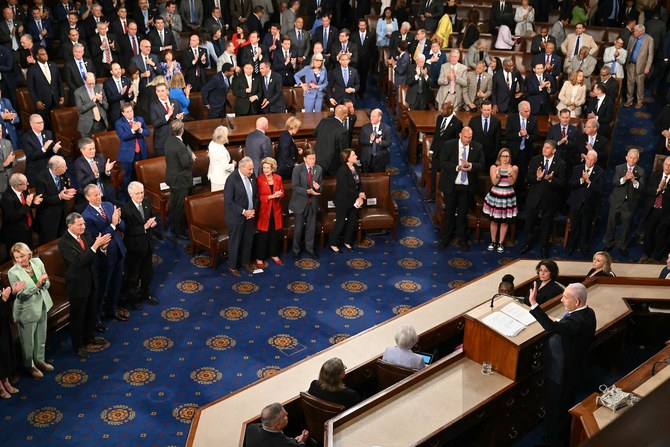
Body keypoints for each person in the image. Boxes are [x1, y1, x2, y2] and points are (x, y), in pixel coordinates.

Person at [527, 282, 595, 447]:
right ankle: (556, 436)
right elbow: (569, 327)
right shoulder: (588, 312)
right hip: (572, 368)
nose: (561, 301)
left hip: (562, 373)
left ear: (577, 302)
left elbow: (551, 327)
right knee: (561, 405)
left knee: (557, 408)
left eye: (565, 297)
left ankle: (556, 441)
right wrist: (560, 320)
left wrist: (534, 304)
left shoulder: (576, 323)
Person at [58, 212, 111, 358]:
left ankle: (89, 338)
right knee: (78, 317)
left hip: (91, 280)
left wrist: (102, 248)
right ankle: (78, 345)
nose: (83, 226)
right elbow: (79, 261)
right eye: (80, 224)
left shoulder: (85, 234)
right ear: (70, 226)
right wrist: (95, 246)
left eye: (84, 224)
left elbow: (94, 254)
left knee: (91, 312)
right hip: (77, 285)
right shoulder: (64, 242)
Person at [81, 184, 127, 325]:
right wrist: (113, 224)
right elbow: (100, 239)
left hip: (118, 251)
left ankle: (111, 311)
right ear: (87, 197)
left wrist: (118, 221)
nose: (99, 196)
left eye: (99, 193)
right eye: (95, 195)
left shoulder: (108, 205)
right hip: (103, 258)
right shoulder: (86, 217)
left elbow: (123, 226)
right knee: (101, 290)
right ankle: (96, 319)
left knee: (115, 285)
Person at [7, 243, 51, 379]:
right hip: (26, 311)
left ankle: (39, 360)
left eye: (22, 256)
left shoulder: (37, 262)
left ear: (29, 254)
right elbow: (21, 295)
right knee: (28, 342)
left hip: (42, 304)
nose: (20, 260)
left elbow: (48, 283)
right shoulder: (13, 272)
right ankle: (29, 365)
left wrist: (43, 283)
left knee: (41, 337)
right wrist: (38, 284)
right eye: (16, 258)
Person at [438, 127, 485, 252]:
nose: (468, 140)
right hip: (451, 185)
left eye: (470, 137)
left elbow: (482, 164)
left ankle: (462, 239)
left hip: (466, 187)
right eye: (466, 137)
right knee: (449, 213)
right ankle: (446, 238)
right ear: (460, 135)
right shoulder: (449, 145)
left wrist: (471, 166)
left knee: (463, 215)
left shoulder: (477, 147)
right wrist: (457, 167)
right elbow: (442, 162)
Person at [520, 141, 567, 259]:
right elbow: (528, 178)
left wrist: (551, 179)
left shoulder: (561, 163)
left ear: (554, 150)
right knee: (529, 223)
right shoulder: (535, 160)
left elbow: (562, 183)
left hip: (550, 200)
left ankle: (544, 247)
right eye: (544, 147)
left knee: (547, 225)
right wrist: (537, 177)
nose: (544, 149)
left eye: (547, 148)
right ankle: (527, 244)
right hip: (534, 198)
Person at [121, 181, 159, 310]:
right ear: (130, 194)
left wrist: (153, 223)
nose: (140, 195)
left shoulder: (147, 201)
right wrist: (144, 227)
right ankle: (134, 299)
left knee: (147, 273)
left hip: (148, 244)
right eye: (137, 193)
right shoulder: (126, 209)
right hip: (134, 248)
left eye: (142, 192)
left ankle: (145, 294)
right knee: (133, 275)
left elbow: (153, 216)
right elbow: (127, 230)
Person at [604, 148, 645, 257]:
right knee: (611, 223)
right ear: (626, 157)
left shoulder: (641, 171)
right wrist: (625, 178)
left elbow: (641, 188)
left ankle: (623, 246)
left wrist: (634, 180)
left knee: (626, 226)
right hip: (616, 201)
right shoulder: (619, 168)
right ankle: (608, 243)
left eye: (635, 158)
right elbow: (615, 182)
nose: (632, 160)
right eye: (630, 157)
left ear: (638, 159)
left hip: (629, 203)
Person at [566, 150, 605, 257]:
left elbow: (600, 189)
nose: (589, 162)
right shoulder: (577, 169)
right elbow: (571, 184)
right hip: (576, 204)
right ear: (585, 158)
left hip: (590, 206)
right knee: (574, 226)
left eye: (592, 160)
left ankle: (584, 248)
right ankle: (570, 247)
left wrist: (589, 182)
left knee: (586, 228)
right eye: (588, 159)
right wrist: (582, 180)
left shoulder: (600, 172)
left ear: (595, 161)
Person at [224, 157, 259, 276]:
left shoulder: (252, 177)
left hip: (250, 215)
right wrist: (244, 212)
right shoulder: (232, 179)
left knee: (247, 241)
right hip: (236, 217)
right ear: (242, 167)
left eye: (252, 168)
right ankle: (232, 267)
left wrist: (254, 209)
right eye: (250, 169)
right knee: (235, 242)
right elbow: (229, 201)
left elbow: (255, 195)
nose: (252, 171)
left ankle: (245, 262)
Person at [329, 149, 365, 254]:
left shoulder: (356, 167)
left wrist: (361, 194)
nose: (356, 156)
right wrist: (359, 195)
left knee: (352, 222)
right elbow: (345, 189)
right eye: (354, 155)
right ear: (347, 158)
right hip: (342, 200)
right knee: (340, 223)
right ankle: (333, 243)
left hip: (354, 200)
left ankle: (347, 241)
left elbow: (360, 183)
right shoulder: (342, 170)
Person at [483, 148, 518, 253]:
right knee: (494, 221)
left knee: (504, 222)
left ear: (510, 158)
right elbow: (494, 182)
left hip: (508, 196)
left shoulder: (514, 168)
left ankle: (500, 243)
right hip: (496, 195)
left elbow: (512, 183)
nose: (505, 158)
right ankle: (493, 241)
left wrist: (510, 174)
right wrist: (498, 174)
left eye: (507, 156)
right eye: (503, 156)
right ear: (499, 157)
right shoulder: (494, 167)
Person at [35, 155, 76, 245]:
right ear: (55, 168)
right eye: (64, 166)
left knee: (61, 241)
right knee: (49, 244)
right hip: (48, 218)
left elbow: (64, 188)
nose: (66, 168)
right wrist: (59, 197)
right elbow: (43, 199)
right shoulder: (41, 179)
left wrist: (67, 191)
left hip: (61, 213)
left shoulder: (62, 174)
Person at [290, 149, 322, 260]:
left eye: (314, 158)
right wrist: (307, 191)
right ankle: (295, 251)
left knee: (311, 229)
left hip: (312, 204)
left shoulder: (318, 169)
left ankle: (310, 249)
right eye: (310, 158)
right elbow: (295, 187)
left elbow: (321, 186)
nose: (313, 161)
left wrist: (318, 187)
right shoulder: (297, 169)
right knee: (298, 230)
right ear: (304, 159)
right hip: (300, 204)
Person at [165, 120, 195, 239]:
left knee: (174, 204)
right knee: (180, 206)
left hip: (172, 178)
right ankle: (180, 230)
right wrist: (192, 157)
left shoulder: (169, 140)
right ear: (181, 130)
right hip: (180, 180)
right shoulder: (180, 146)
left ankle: (174, 227)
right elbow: (186, 163)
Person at [115, 103, 150, 196]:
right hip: (128, 154)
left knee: (142, 175)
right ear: (123, 113)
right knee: (129, 176)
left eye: (131, 111)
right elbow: (123, 136)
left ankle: (143, 194)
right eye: (127, 112)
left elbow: (147, 133)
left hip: (141, 152)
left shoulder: (140, 119)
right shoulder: (119, 123)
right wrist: (133, 130)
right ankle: (128, 197)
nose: (130, 113)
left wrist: (140, 130)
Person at [255, 157, 284, 268]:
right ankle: (259, 258)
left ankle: (274, 254)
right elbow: (257, 197)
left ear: (273, 169)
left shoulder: (278, 178)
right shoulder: (259, 179)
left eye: (267, 168)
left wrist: (279, 194)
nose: (265, 170)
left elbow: (282, 192)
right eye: (264, 168)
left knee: (274, 234)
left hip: (275, 211)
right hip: (264, 212)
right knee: (263, 235)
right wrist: (270, 196)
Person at [26, 47, 64, 129]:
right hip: (42, 103)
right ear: (37, 56)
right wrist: (36, 101)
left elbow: (59, 82)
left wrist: (62, 95)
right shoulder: (32, 69)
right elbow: (30, 88)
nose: (45, 56)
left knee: (56, 123)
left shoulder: (53, 65)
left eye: (45, 54)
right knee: (45, 125)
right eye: (42, 54)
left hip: (55, 100)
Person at [641, 157, 670, 263]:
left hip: (666, 212)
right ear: (663, 165)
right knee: (649, 233)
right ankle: (647, 254)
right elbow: (647, 191)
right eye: (666, 164)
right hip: (653, 209)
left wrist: (664, 190)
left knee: (661, 235)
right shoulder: (655, 176)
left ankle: (657, 257)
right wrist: (658, 189)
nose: (667, 167)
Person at [244, 402, 313, 446]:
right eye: (285, 416)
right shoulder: (285, 444)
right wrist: (302, 441)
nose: (287, 413)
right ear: (277, 424)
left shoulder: (251, 427)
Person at [0, 278, 23, 398]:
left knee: (5, 355)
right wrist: (3, 299)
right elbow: (3, 300)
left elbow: (6, 299)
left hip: (3, 323)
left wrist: (13, 292)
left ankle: (6, 383)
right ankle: (1, 388)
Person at [624, 24, 653, 109]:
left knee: (640, 84)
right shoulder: (632, 37)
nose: (634, 32)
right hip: (631, 64)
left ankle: (639, 100)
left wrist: (647, 67)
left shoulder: (649, 39)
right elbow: (629, 50)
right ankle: (629, 99)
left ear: (641, 32)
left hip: (641, 66)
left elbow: (650, 55)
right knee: (630, 83)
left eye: (635, 31)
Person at [314, 105, 349, 176]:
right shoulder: (342, 130)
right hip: (332, 166)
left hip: (317, 160)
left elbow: (314, 134)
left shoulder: (323, 121)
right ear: (344, 116)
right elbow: (344, 151)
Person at [150, 82, 184, 156]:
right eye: (158, 91)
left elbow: (181, 115)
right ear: (156, 92)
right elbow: (155, 123)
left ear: (167, 91)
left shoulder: (175, 101)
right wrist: (168, 115)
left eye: (162, 91)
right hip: (162, 143)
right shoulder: (153, 106)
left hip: (176, 139)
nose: (160, 93)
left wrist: (180, 118)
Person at [359, 109, 392, 173]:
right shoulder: (364, 128)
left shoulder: (387, 128)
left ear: (380, 118)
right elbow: (360, 141)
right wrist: (370, 141)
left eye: (374, 116)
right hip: (367, 158)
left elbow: (389, 142)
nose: (371, 118)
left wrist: (380, 142)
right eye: (371, 116)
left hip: (381, 159)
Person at [207, 126, 236, 192]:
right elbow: (225, 167)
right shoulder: (221, 151)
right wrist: (233, 165)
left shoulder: (212, 143)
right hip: (221, 180)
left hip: (214, 176)